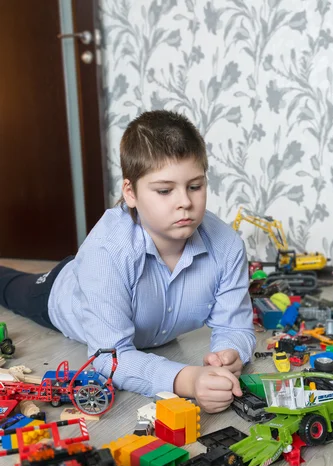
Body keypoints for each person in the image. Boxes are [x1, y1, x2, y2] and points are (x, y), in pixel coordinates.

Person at [0, 110, 255, 413]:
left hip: (104, 275)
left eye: (195, 186)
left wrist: (230, 354)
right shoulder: (107, 252)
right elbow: (109, 357)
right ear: (130, 193)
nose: (184, 201)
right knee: (9, 286)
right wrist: (187, 379)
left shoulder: (227, 247)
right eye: (164, 190)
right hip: (61, 290)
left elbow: (236, 327)